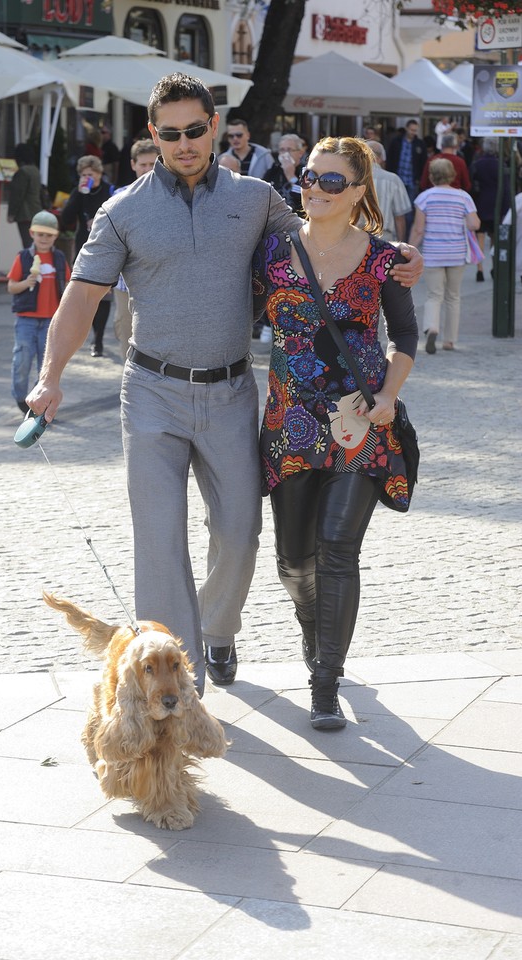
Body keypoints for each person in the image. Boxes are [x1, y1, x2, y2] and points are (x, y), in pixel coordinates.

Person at [26, 73, 422, 694]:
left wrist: (396, 254)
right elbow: (80, 298)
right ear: (153, 134)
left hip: (232, 391)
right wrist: (50, 377)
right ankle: (179, 689)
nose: (184, 143)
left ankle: (217, 628)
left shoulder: (256, 199)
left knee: (240, 534)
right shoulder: (121, 210)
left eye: (195, 130)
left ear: (214, 127)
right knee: (159, 540)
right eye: (170, 134)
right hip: (151, 391)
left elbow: (324, 233)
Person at [254, 137, 418, 730]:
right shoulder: (271, 252)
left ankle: (326, 679)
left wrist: (388, 396)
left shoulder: (383, 259)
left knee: (338, 549)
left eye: (330, 180)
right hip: (290, 425)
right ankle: (313, 629)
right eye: (309, 176)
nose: (315, 188)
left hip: (359, 424)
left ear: (356, 191)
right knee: (294, 561)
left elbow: (405, 335)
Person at [409, 157, 480, 353]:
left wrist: (408, 249)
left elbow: (419, 229)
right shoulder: (463, 197)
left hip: (433, 254)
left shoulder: (424, 198)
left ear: (431, 176)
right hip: (457, 253)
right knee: (453, 296)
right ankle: (449, 340)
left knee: (434, 295)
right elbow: (474, 224)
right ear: (452, 175)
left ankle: (432, 327)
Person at [7, 211, 71, 414]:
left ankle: (38, 402)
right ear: (32, 234)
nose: (44, 239)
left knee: (46, 365)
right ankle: (20, 397)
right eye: (40, 234)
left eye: (49, 235)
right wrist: (26, 282)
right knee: (22, 360)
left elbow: (68, 284)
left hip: (52, 320)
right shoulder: (24, 257)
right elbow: (11, 287)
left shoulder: (59, 258)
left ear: (56, 236)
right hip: (26, 319)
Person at [58, 156, 114, 357]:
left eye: (90, 174)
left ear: (99, 173)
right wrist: (78, 194)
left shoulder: (109, 191)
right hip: (84, 247)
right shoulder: (80, 192)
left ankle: (98, 340)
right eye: (83, 174)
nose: (87, 177)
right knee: (86, 295)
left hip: (108, 247)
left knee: (105, 296)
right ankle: (90, 334)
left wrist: (100, 221)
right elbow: (65, 220)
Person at [111, 139, 160, 360]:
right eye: (143, 164)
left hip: (162, 280)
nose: (148, 169)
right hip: (126, 283)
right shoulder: (119, 197)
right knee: (126, 332)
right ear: (133, 165)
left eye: (152, 164)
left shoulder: (174, 195)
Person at [471, 137, 508, 281]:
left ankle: (479, 270)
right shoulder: (500, 165)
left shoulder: (477, 164)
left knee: (479, 238)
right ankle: (494, 267)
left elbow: (471, 185)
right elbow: (505, 189)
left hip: (479, 204)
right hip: (496, 206)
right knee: (494, 238)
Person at [366, 139, 412, 243]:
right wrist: (401, 244)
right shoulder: (393, 180)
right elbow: (399, 217)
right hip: (384, 238)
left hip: (356, 238)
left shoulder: (352, 178)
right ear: (381, 158)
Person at [386, 119, 426, 231]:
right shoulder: (396, 142)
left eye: (415, 130)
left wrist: (419, 179)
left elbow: (423, 163)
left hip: (412, 181)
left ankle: (406, 234)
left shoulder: (420, 144)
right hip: (397, 180)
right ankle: (396, 231)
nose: (413, 132)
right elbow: (390, 159)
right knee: (394, 208)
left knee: (409, 211)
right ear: (407, 128)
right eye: (412, 130)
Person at [7, 144, 42, 247]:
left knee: (28, 244)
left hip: (25, 214)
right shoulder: (35, 170)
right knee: (35, 243)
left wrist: (11, 213)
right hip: (36, 211)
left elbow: (17, 195)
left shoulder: (22, 172)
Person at [264, 133, 306, 214]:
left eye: (289, 150)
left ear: (300, 153)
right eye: (282, 150)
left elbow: (305, 195)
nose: (285, 154)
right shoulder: (273, 171)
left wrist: (291, 177)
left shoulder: (305, 171)